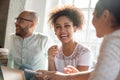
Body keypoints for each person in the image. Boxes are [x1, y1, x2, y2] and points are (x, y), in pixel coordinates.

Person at [35, 0, 120, 80]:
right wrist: (65, 76)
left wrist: (67, 77)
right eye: (58, 27)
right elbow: (98, 72)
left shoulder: (113, 40)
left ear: (105, 15)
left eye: (93, 14)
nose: (62, 30)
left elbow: (100, 77)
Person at [7, 10, 54, 80]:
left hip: (35, 78)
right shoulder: (11, 38)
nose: (16, 23)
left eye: (21, 20)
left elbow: (53, 63)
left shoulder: (44, 40)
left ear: (32, 24)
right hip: (14, 77)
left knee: (25, 68)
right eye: (17, 19)